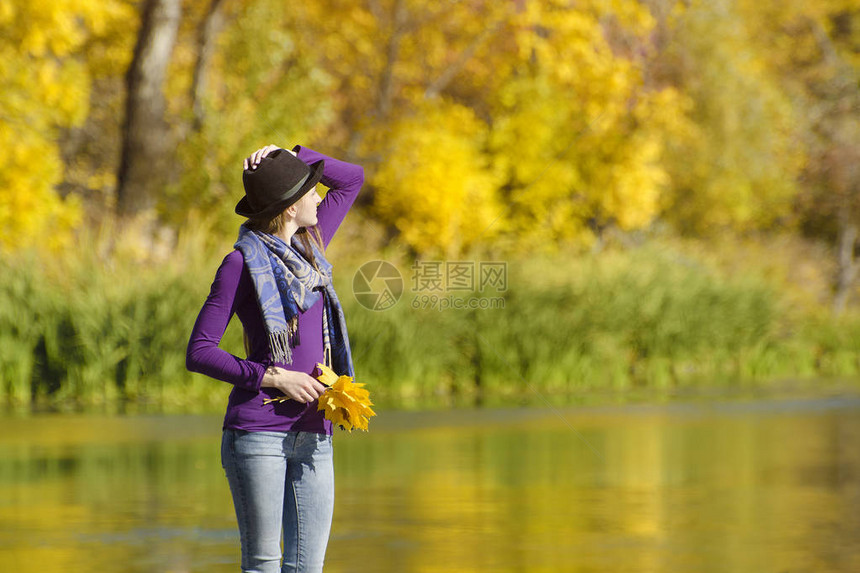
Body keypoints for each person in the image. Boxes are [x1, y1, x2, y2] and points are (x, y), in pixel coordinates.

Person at [186, 143, 364, 573]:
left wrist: (291, 151)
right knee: (264, 564)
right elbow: (199, 352)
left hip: (315, 430)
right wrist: (272, 377)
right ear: (288, 208)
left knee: (307, 567)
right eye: (309, 189)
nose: (319, 196)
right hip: (258, 433)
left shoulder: (311, 248)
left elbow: (351, 178)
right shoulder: (239, 263)